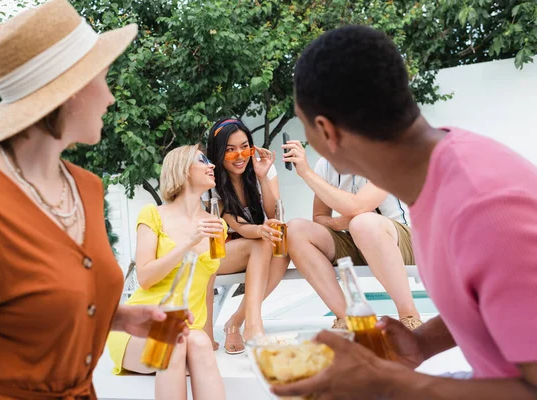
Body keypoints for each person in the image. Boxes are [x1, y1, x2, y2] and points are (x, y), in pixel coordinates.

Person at [0, 0, 189, 398]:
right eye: (103, 79)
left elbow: (35, 308)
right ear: (70, 92)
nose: (109, 97)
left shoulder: (86, 188)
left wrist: (121, 318)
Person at [272, 25, 537, 399]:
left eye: (304, 128)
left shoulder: (486, 207)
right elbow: (502, 304)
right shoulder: (444, 171)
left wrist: (390, 385)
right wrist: (423, 342)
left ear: (326, 131)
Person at [107, 145, 225, 400]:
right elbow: (145, 277)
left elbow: (207, 285)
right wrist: (188, 243)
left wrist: (209, 335)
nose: (212, 164)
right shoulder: (153, 215)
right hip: (140, 328)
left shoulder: (218, 226)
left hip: (184, 329)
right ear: (182, 170)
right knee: (175, 343)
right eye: (202, 160)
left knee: (198, 342)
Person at [283, 141, 421, 330]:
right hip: (354, 241)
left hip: (399, 240)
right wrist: (336, 223)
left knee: (363, 222)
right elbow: (320, 217)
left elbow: (358, 207)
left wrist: (306, 172)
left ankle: (409, 315)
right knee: (294, 230)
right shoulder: (326, 164)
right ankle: (349, 319)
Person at [203, 118, 289, 354]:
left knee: (282, 251)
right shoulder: (211, 180)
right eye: (230, 150)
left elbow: (274, 215)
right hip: (215, 253)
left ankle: (236, 322)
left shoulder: (263, 169)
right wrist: (261, 231)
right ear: (219, 153)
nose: (239, 155)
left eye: (244, 146)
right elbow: (239, 227)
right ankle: (253, 325)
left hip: (252, 246)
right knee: (261, 244)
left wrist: (262, 177)